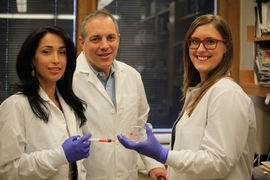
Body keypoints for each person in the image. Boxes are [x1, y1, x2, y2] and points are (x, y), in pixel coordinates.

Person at [117, 14, 257, 180]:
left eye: (210, 41)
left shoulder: (227, 94)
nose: (200, 49)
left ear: (227, 46)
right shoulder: (200, 91)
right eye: (195, 41)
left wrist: (163, 155)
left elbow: (218, 162)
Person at [73, 9, 167, 180]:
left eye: (110, 37)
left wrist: (154, 164)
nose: (104, 45)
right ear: (82, 42)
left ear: (118, 39)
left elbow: (140, 127)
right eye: (95, 39)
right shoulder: (68, 79)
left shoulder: (132, 76)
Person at [0, 26, 92, 180]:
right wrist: (59, 156)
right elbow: (7, 170)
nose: (56, 60)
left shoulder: (69, 105)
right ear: (32, 60)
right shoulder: (16, 106)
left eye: (62, 52)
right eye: (46, 52)